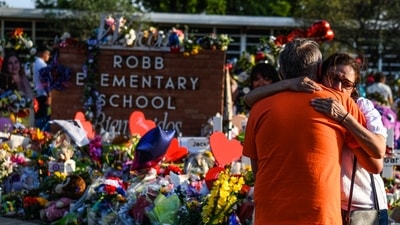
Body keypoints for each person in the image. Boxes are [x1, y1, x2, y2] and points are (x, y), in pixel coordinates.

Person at [245, 52, 388, 224]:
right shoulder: (324, 100)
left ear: (355, 87)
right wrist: (288, 84)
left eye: (347, 83)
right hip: (331, 205)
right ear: (320, 73)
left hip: (361, 204)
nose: (338, 86)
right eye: (332, 77)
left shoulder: (353, 106)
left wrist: (344, 118)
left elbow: (377, 160)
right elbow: (249, 98)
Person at [0, 51, 35, 126]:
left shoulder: (26, 79)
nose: (14, 66)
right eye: (10, 63)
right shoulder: (3, 81)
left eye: (16, 62)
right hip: (7, 121)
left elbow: (31, 98)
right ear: (6, 65)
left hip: (27, 120)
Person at [33, 45, 51, 131]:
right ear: (42, 53)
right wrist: (49, 95)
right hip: (41, 94)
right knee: (41, 117)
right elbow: (45, 81)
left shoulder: (31, 62)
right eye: (47, 54)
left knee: (34, 116)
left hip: (33, 92)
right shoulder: (42, 65)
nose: (48, 56)